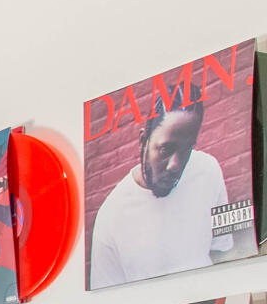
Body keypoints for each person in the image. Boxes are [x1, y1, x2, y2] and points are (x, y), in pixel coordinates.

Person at [89, 101, 244, 287]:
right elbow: (109, 298)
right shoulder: (110, 216)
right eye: (165, 149)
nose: (175, 166)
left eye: (186, 150)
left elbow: (222, 252)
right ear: (143, 141)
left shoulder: (208, 169)